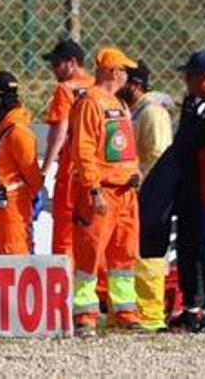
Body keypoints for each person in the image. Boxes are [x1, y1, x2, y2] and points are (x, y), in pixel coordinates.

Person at [69, 47, 142, 335]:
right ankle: (84, 315)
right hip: (102, 192)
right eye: (124, 70)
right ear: (112, 71)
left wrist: (134, 172)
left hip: (125, 192)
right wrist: (93, 188)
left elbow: (125, 146)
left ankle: (125, 311)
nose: (127, 76)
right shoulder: (90, 102)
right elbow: (83, 149)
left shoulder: (119, 104)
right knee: (89, 253)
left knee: (124, 254)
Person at [166, 51, 205, 331]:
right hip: (187, 185)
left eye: (190, 76)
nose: (186, 81)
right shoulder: (191, 103)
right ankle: (191, 305)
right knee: (187, 246)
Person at [119, 60, 175, 332]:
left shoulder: (152, 112)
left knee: (149, 251)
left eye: (124, 81)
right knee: (135, 252)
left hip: (152, 192)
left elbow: (159, 153)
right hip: (140, 192)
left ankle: (151, 313)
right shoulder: (136, 112)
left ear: (136, 84)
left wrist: (144, 182)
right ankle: (140, 309)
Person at [0, 71, 42, 254]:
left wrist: (35, 195)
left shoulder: (18, 132)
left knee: (14, 261)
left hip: (11, 208)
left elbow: (32, 174)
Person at [40, 39, 95, 259]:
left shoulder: (65, 90)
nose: (53, 69)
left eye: (56, 64)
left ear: (72, 63)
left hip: (71, 168)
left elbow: (59, 133)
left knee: (65, 231)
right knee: (90, 230)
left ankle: (63, 286)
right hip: (94, 170)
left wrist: (44, 170)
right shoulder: (97, 88)